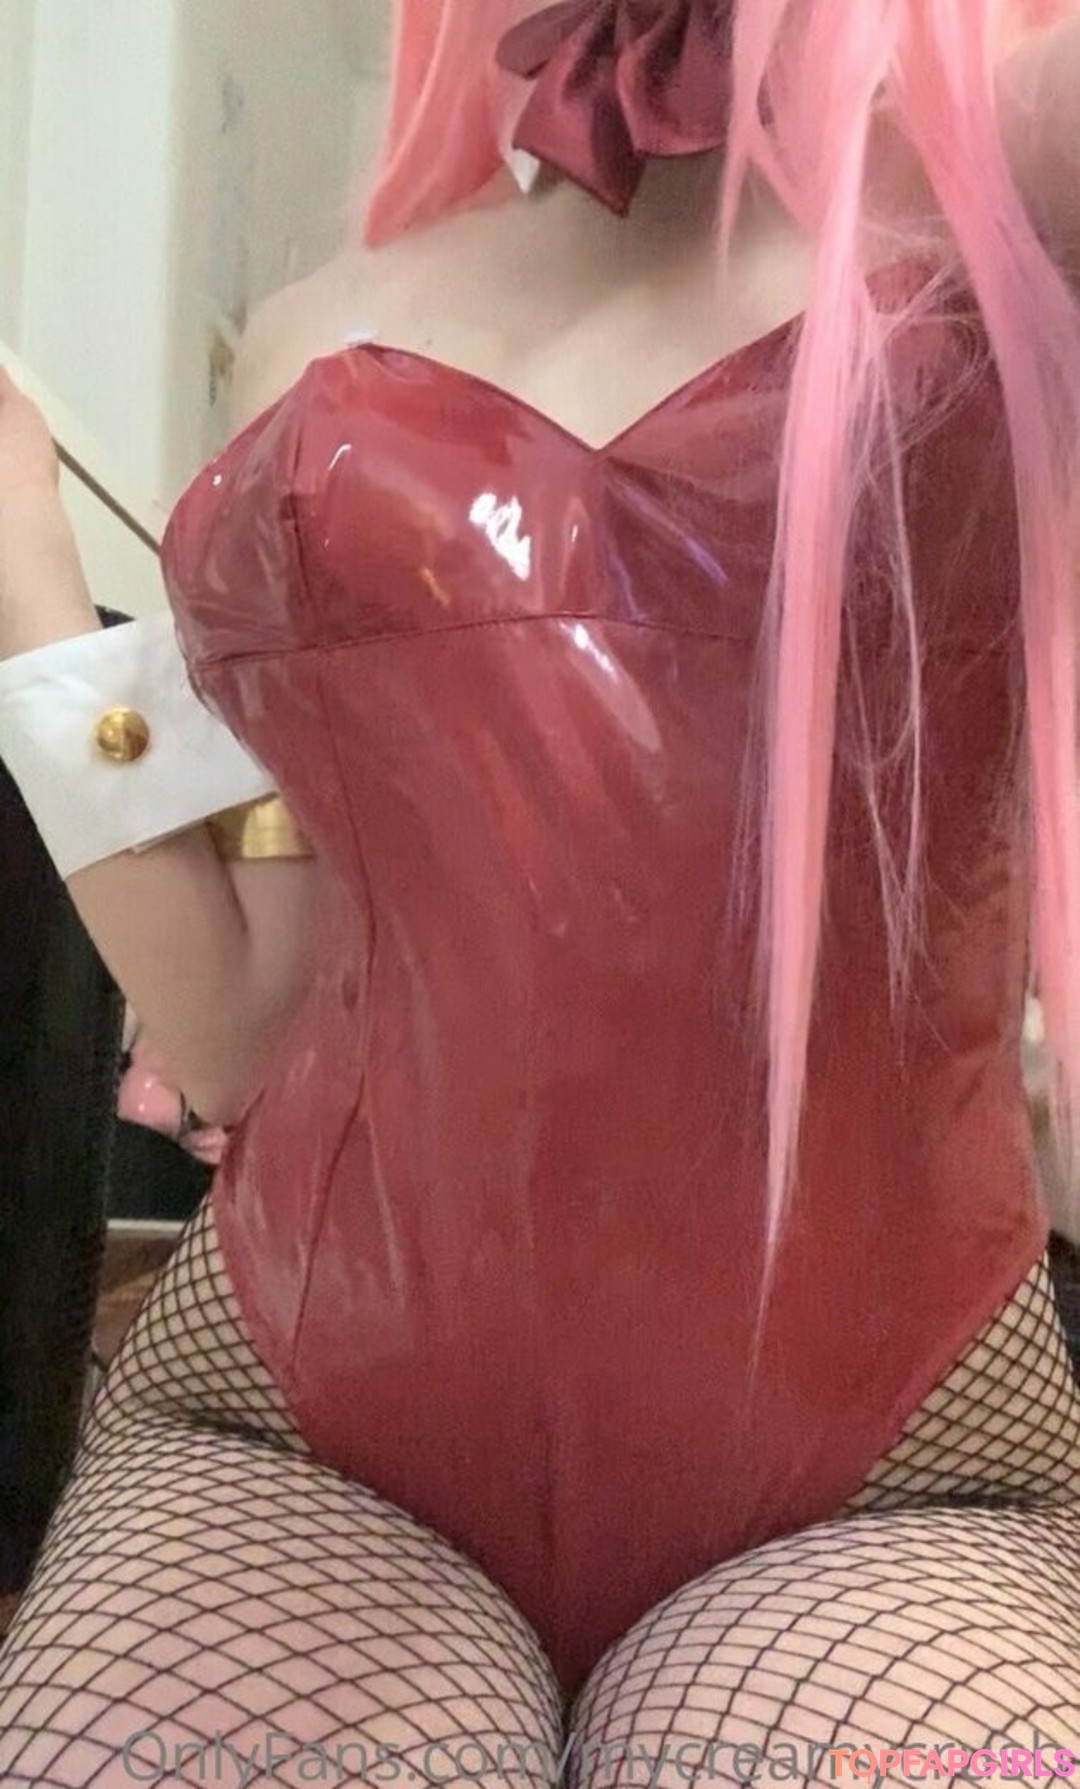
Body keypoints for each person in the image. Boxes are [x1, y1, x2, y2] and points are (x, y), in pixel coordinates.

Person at [1, 1, 1079, 1781]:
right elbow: (240, 1017)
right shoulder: (309, 340)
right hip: (311, 1430)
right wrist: (30, 574)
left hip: (882, 1478)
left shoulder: (1004, 233)